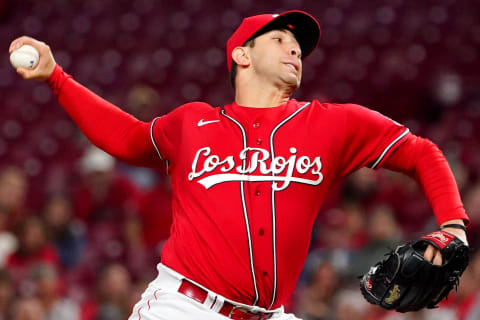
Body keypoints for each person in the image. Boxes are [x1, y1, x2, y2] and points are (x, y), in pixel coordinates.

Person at [9, 10, 470, 320]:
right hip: (185, 308)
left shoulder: (333, 124)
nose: (295, 50)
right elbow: (126, 137)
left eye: (298, 47)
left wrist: (454, 225)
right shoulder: (192, 123)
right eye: (280, 39)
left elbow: (422, 152)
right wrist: (56, 77)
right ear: (241, 55)